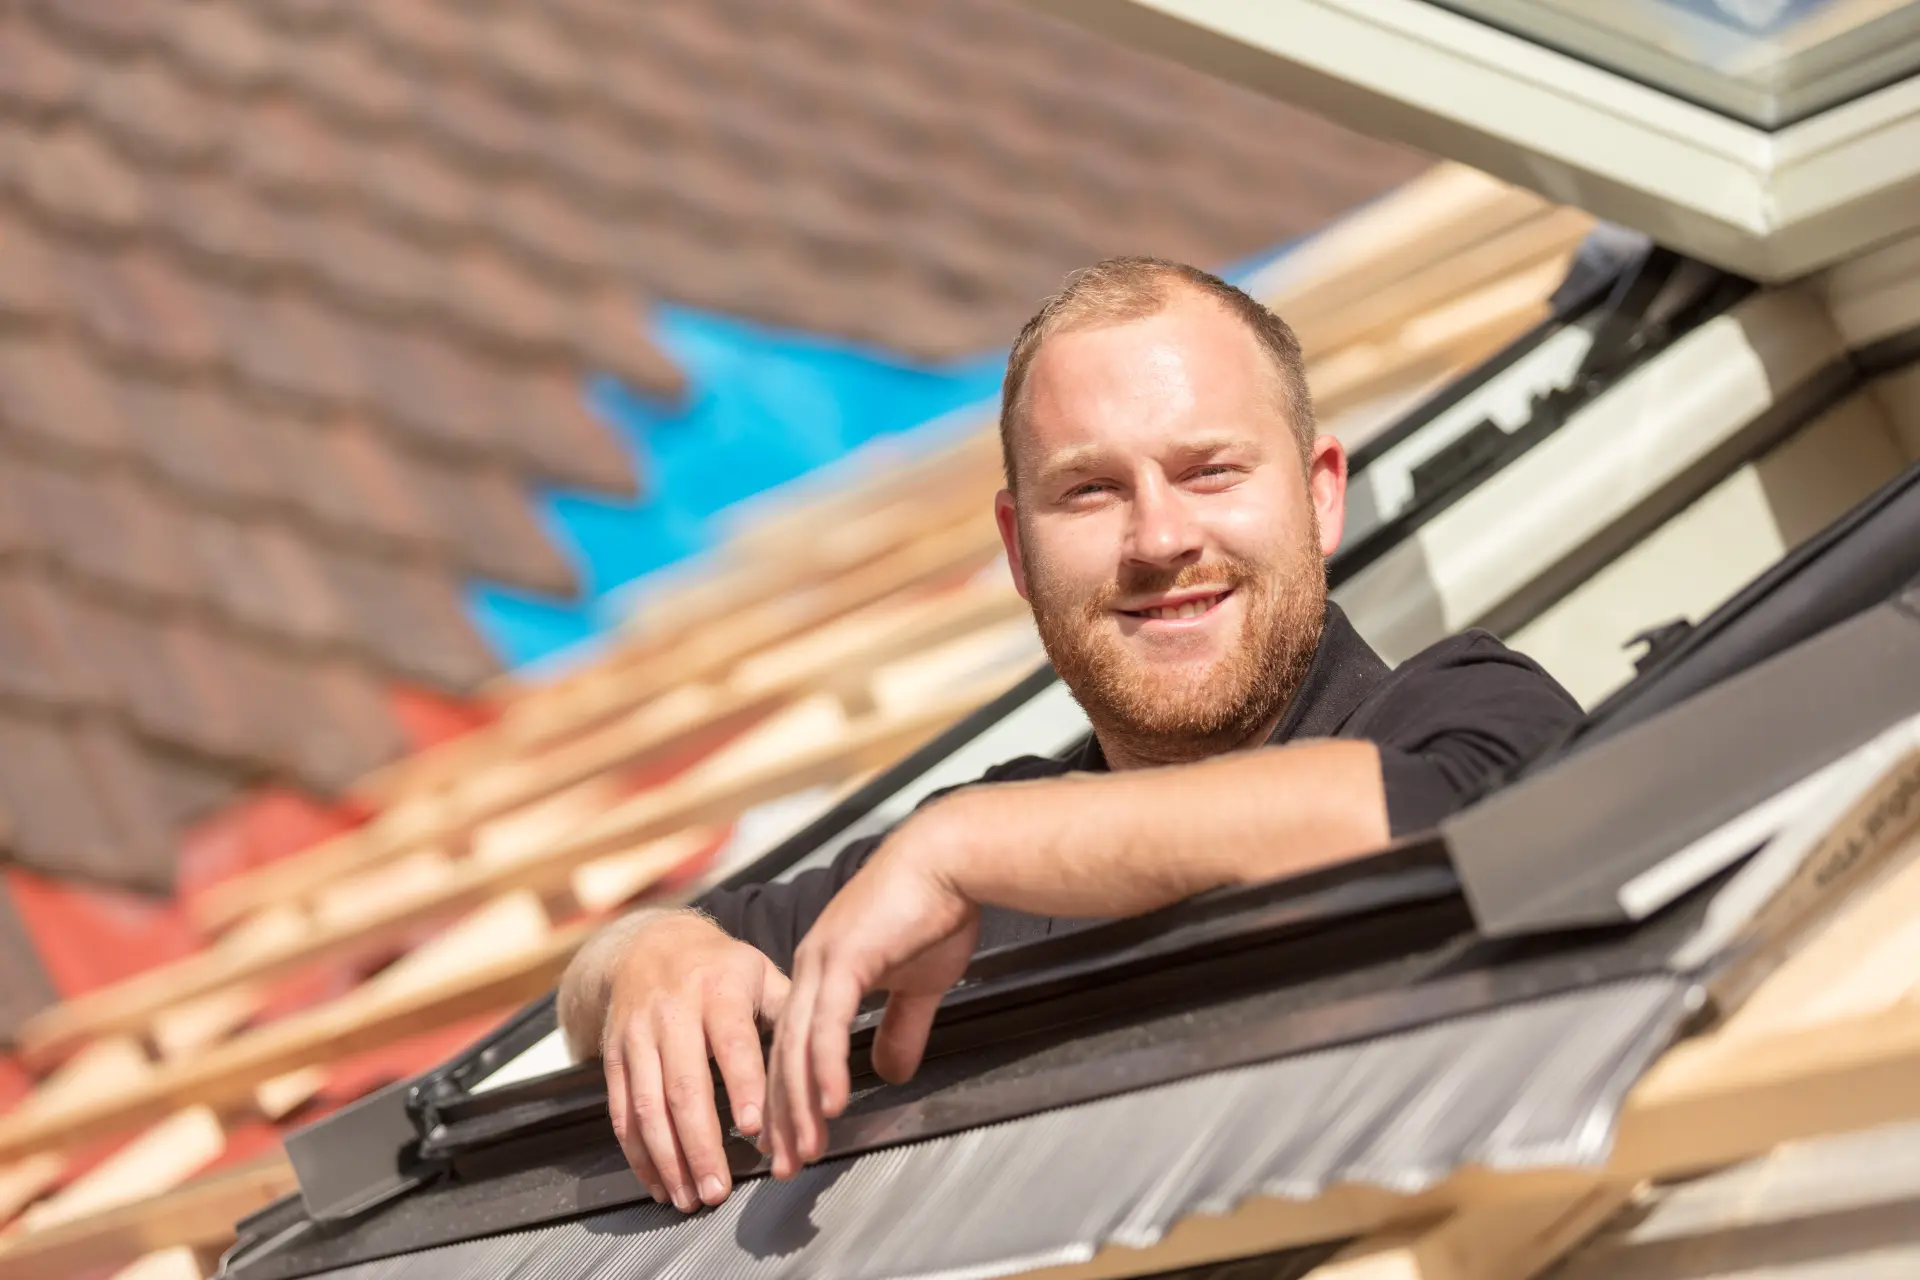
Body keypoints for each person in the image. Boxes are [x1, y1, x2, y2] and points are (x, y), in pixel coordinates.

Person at [557, 257, 1581, 1212]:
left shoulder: (1469, 710)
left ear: (1320, 496)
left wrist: (971, 850)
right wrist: (651, 955)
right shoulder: (980, 843)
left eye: (1211, 470)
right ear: (1017, 546)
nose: (1160, 537)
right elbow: (612, 978)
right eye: (1090, 489)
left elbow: (1448, 828)